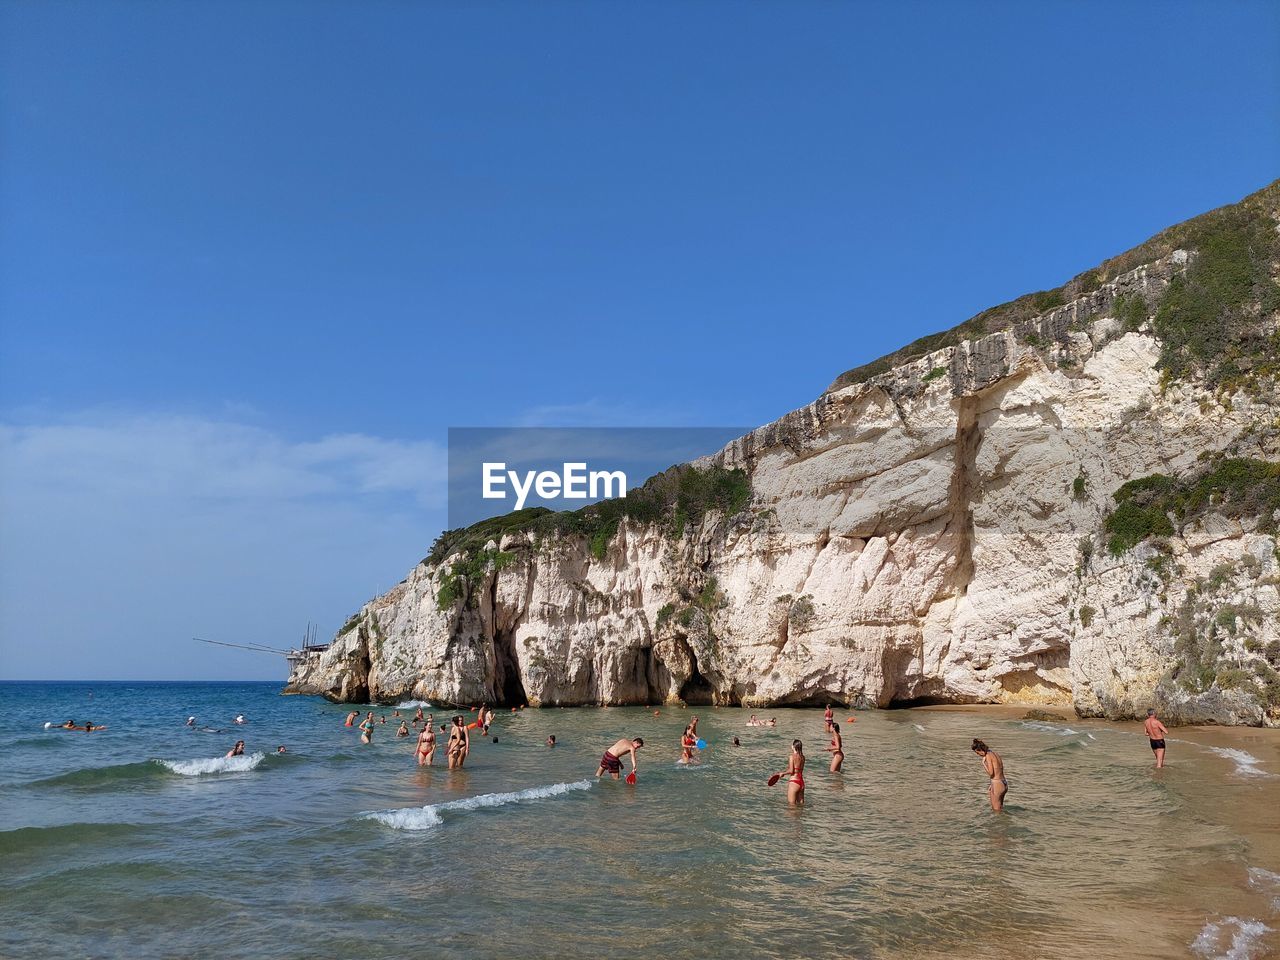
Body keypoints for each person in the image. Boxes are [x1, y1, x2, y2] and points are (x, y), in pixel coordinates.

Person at [971, 739, 1007, 811]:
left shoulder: (988, 756)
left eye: (978, 753)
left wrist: (984, 763)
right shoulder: (995, 753)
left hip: (997, 784)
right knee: (1001, 809)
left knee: (996, 811)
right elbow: (999, 770)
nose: (978, 755)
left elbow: (991, 773)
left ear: (980, 749)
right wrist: (992, 784)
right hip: (1004, 783)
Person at [774, 740, 805, 805]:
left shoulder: (791, 757)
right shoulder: (803, 757)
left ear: (794, 746)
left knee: (791, 807)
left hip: (794, 782)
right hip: (801, 783)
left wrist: (783, 773)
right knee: (801, 807)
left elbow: (791, 771)